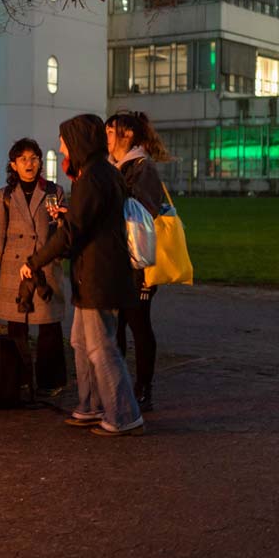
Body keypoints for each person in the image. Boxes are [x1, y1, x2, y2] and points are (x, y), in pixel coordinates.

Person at [23, 114, 143, 437]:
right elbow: (89, 221)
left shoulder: (93, 178)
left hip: (98, 276)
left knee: (101, 347)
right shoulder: (100, 174)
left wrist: (35, 260)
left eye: (63, 140)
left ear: (77, 141)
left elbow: (74, 232)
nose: (60, 147)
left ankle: (123, 414)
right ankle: (92, 405)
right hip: (93, 274)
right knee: (80, 340)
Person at [0, 138, 68, 393]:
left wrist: (61, 219)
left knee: (49, 328)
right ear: (13, 165)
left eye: (33, 158)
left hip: (44, 268)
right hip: (14, 270)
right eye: (23, 159)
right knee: (16, 330)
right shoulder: (5, 195)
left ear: (40, 162)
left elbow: (64, 234)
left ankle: (50, 382)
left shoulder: (54, 191)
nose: (29, 164)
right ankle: (18, 379)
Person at [106, 109, 171, 411]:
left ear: (127, 134)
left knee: (138, 323)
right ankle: (118, 384)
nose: (105, 137)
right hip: (115, 260)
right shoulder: (111, 166)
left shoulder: (142, 167)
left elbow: (141, 211)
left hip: (139, 262)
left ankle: (144, 387)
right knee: (116, 326)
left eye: (110, 131)